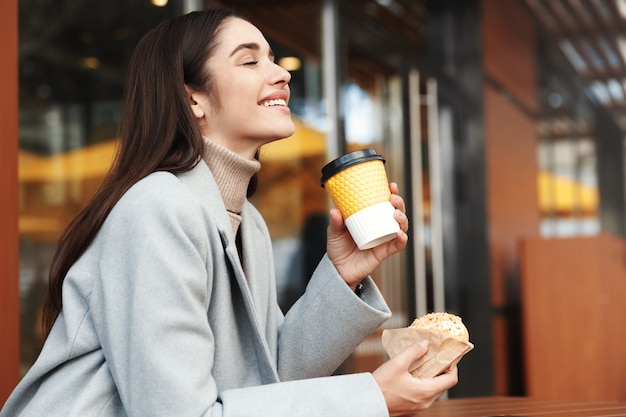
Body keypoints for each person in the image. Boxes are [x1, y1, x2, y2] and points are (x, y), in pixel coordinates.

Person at [0, 8, 458, 417]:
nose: (281, 73)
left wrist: (341, 274)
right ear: (192, 99)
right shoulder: (157, 207)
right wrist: (368, 399)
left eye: (274, 58)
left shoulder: (246, 222)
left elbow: (270, 375)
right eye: (250, 60)